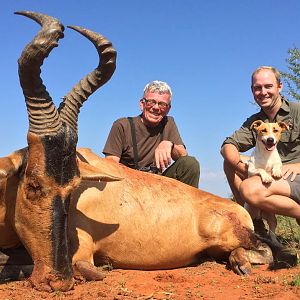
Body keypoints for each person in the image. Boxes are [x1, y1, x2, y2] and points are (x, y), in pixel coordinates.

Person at [220, 66, 300, 234]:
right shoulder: (256, 122)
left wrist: (298, 165)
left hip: (295, 177)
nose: (263, 92)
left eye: (268, 86)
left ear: (280, 86)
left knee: (249, 188)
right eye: (258, 88)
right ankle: (253, 224)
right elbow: (228, 145)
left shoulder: (297, 111)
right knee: (230, 163)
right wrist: (245, 168)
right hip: (274, 176)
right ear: (252, 91)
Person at [103, 80, 200, 188]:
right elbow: (110, 164)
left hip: (157, 185)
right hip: (129, 186)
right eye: (151, 102)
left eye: (162, 104)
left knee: (190, 164)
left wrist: (169, 144)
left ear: (168, 109)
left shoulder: (169, 123)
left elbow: (183, 155)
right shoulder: (122, 125)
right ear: (142, 104)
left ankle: (184, 205)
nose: (156, 108)